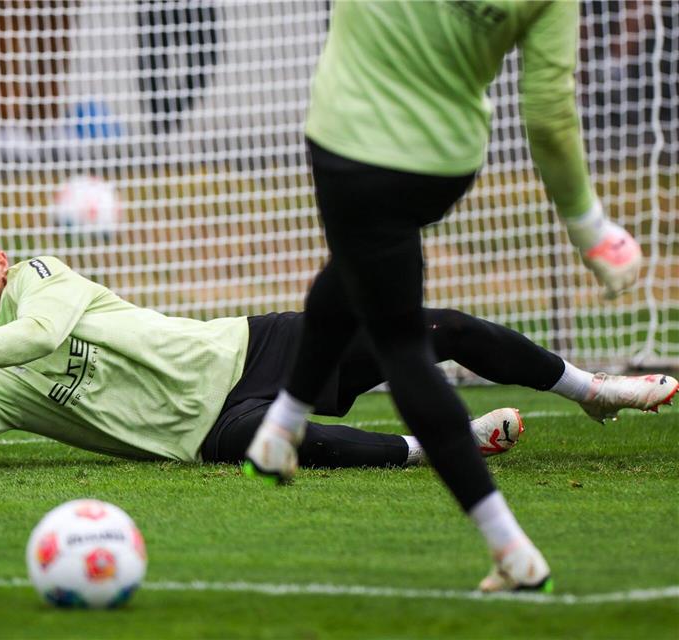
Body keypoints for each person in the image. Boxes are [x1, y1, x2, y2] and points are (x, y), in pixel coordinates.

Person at [243, 0, 648, 593]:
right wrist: (592, 228)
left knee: (400, 345)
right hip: (443, 167)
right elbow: (549, 114)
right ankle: (279, 432)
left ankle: (512, 550)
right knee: (359, 265)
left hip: (353, 147)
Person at [0, 212, 676, 477]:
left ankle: (592, 389)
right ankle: (437, 446)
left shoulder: (42, 276)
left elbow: (35, 336)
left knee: (434, 326)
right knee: (280, 444)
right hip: (200, 432)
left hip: (244, 349)